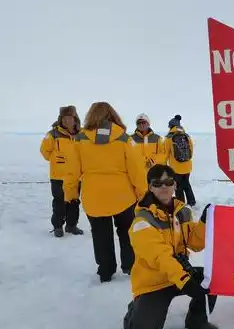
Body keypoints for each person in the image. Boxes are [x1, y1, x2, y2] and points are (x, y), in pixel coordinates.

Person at [123, 164, 218, 329]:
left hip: (179, 274)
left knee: (212, 277)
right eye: (157, 183)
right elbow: (160, 257)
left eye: (168, 182)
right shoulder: (142, 221)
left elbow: (195, 243)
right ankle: (134, 312)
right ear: (150, 187)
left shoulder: (182, 212)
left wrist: (205, 222)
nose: (164, 187)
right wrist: (185, 281)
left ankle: (197, 320)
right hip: (154, 282)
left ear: (175, 185)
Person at [63, 102, 147, 282]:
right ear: (112, 115)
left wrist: (70, 193)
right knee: (126, 232)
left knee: (101, 234)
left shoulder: (80, 140)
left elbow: (71, 171)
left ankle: (106, 270)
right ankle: (130, 266)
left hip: (93, 196)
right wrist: (143, 194)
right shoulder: (124, 139)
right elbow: (137, 170)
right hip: (123, 196)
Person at [40, 105, 84, 237]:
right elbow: (44, 151)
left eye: (69, 118)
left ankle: (71, 226)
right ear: (60, 119)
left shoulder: (82, 134)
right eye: (64, 118)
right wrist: (56, 159)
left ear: (75, 119)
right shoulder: (52, 134)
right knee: (59, 202)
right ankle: (58, 226)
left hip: (76, 176)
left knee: (74, 201)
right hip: (58, 175)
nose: (66, 121)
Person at [165, 115, 196, 207]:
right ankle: (192, 202)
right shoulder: (187, 136)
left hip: (176, 168)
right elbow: (191, 150)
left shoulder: (169, 137)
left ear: (171, 126)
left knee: (178, 187)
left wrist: (164, 164)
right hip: (187, 166)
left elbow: (166, 153)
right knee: (186, 184)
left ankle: (180, 204)